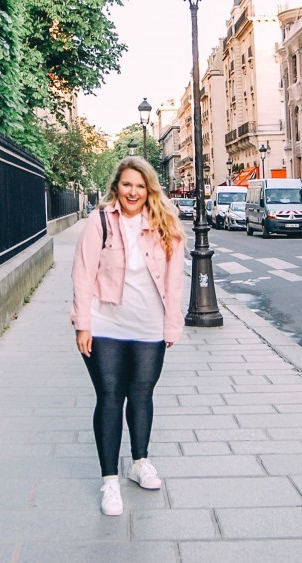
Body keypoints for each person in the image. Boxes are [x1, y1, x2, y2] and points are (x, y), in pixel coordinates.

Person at [71, 156, 186, 516]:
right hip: (105, 324)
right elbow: (82, 273)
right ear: (116, 187)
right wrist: (82, 323)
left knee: (141, 395)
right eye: (126, 185)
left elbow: (174, 280)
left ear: (148, 188)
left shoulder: (165, 224)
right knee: (109, 398)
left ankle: (139, 462)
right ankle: (109, 482)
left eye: (139, 185)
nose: (133, 192)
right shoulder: (100, 221)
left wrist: (172, 324)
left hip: (149, 325)